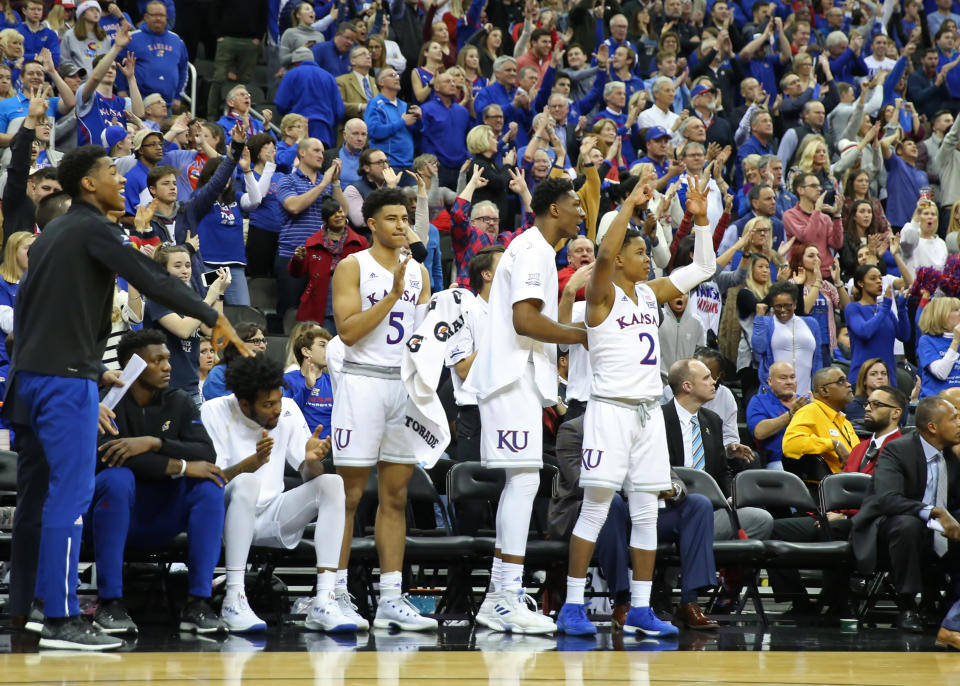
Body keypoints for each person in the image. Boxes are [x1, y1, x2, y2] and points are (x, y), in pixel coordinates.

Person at [4, 135, 249, 650]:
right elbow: (150, 277)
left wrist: (92, 371)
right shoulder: (92, 227)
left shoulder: (48, 236)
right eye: (113, 174)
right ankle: (62, 619)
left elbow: (32, 317)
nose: (123, 180)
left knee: (35, 501)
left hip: (30, 382)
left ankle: (28, 608)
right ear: (89, 184)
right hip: (64, 383)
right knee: (69, 499)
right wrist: (213, 316)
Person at [555, 172, 719, 637]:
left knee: (647, 509)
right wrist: (627, 203)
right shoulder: (600, 295)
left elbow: (702, 269)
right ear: (621, 260)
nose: (647, 258)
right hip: (609, 410)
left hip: (648, 411)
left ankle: (643, 610)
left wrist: (702, 221)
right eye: (640, 252)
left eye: (647, 252)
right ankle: (571, 607)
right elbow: (603, 252)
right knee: (596, 507)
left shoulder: (649, 293)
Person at [464, 178, 586, 634]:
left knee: (523, 479)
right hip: (510, 376)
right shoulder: (534, 250)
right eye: (575, 205)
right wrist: (580, 336)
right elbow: (526, 319)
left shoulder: (529, 247)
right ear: (554, 209)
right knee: (523, 480)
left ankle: (501, 595)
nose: (580, 212)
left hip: (515, 377)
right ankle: (503, 596)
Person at [328, 187, 435, 632]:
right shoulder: (351, 266)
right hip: (362, 383)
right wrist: (391, 296)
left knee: (395, 496)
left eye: (405, 218)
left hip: (403, 387)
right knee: (348, 497)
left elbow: (425, 340)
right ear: (370, 224)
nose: (401, 225)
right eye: (392, 218)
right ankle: (330, 594)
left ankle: (390, 596)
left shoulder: (422, 274)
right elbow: (348, 332)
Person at [201, 353, 356, 634]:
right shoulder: (213, 411)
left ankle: (324, 600)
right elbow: (213, 480)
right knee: (248, 482)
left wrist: (310, 461)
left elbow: (309, 476)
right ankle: (234, 598)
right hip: (225, 517)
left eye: (278, 401)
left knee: (332, 483)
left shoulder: (289, 410)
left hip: (273, 515)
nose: (276, 409)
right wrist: (252, 464)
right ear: (244, 404)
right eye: (268, 404)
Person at [88, 329, 228, 636]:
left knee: (210, 484)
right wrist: (179, 465)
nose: (168, 366)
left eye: (167, 359)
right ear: (134, 367)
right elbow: (109, 457)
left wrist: (152, 442)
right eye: (158, 361)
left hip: (164, 512)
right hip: (113, 512)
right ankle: (110, 602)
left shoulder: (179, 401)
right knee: (116, 476)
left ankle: (198, 602)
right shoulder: (106, 403)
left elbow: (206, 453)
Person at [552, 416, 719, 632]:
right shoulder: (575, 429)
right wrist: (638, 487)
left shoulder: (643, 428)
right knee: (610, 503)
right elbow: (579, 482)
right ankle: (622, 602)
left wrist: (672, 489)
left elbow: (671, 476)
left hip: (641, 513)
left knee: (699, 505)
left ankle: (689, 602)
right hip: (594, 513)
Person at [851, 396, 960, 639]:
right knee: (908, 524)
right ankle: (908, 605)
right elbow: (887, 499)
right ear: (932, 427)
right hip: (885, 526)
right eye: (954, 418)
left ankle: (948, 605)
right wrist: (934, 512)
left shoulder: (952, 454)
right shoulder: (898, 449)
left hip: (929, 527)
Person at [664, 358, 773, 533]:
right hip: (671, 507)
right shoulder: (658, 420)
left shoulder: (712, 420)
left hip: (709, 508)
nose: (714, 381)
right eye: (706, 378)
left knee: (761, 519)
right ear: (687, 386)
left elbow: (722, 472)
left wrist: (729, 497)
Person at [146, 245, 231, 405]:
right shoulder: (157, 298)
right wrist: (208, 298)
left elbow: (213, 331)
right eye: (177, 266)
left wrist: (218, 294)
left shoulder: (191, 299)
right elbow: (183, 330)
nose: (185, 270)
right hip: (165, 388)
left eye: (188, 265)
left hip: (190, 388)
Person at [275, 141, 347, 319]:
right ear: (301, 153)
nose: (321, 155)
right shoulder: (287, 180)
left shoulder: (330, 183)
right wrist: (323, 184)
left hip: (322, 256)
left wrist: (335, 182)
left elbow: (343, 213)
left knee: (318, 312)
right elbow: (293, 206)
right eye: (316, 150)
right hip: (291, 254)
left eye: (322, 151)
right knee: (290, 312)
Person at [288, 196, 368, 333]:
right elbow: (296, 273)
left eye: (340, 211)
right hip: (319, 304)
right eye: (333, 213)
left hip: (350, 303)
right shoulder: (312, 243)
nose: (339, 215)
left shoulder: (361, 243)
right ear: (325, 220)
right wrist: (298, 259)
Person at [782, 366, 859, 474]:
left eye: (847, 380)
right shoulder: (810, 411)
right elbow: (790, 445)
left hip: (856, 482)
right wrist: (834, 445)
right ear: (824, 390)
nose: (849, 384)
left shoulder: (845, 422)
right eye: (841, 381)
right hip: (833, 487)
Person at [752, 281, 823, 396]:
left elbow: (818, 360)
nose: (783, 310)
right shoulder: (766, 323)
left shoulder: (811, 324)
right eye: (778, 306)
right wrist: (759, 317)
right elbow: (758, 348)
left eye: (787, 305)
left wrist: (818, 391)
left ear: (795, 304)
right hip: (775, 397)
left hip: (806, 395)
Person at [844, 264, 911, 384]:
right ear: (860, 283)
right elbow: (865, 332)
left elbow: (904, 336)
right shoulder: (853, 308)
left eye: (880, 278)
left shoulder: (886, 310)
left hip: (887, 378)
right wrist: (885, 307)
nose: (879, 282)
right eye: (873, 278)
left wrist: (902, 309)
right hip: (862, 380)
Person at [116, 1, 188, 108]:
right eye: (154, 15)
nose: (158, 18)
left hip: (166, 105)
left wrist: (178, 96)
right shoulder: (131, 38)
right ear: (146, 17)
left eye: (161, 15)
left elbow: (183, 69)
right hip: (139, 102)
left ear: (167, 17)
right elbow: (118, 65)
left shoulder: (177, 41)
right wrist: (121, 90)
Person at [274, 48, 346, 149]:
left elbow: (281, 104)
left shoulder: (291, 74)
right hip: (323, 131)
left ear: (296, 62)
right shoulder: (329, 77)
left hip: (297, 131)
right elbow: (339, 110)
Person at [747, 362, 810, 469]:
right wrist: (791, 414)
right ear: (770, 381)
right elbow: (759, 432)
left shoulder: (805, 402)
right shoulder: (759, 401)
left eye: (792, 377)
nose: (789, 382)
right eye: (783, 378)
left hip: (809, 459)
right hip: (777, 461)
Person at [782, 173, 844, 280]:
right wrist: (817, 211)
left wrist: (837, 216)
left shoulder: (824, 218)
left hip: (825, 274)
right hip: (802, 276)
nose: (819, 189)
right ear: (800, 190)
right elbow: (807, 239)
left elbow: (837, 244)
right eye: (814, 186)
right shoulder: (790, 215)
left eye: (819, 186)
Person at [364, 67, 421, 176]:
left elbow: (415, 132)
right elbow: (374, 132)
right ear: (381, 82)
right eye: (392, 75)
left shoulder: (404, 105)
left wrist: (419, 120)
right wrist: (402, 122)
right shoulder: (375, 104)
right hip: (388, 165)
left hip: (408, 164)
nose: (397, 78)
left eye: (397, 75)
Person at [283, 324, 333, 438]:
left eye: (329, 346)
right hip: (300, 449)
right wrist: (307, 388)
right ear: (306, 351)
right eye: (322, 345)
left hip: (330, 449)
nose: (328, 351)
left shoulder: (333, 381)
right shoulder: (287, 379)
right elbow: (285, 414)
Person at [843, 385, 906, 474]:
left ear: (896, 413)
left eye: (876, 404)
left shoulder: (904, 451)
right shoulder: (858, 448)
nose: (867, 409)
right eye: (867, 404)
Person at [200, 322, 268, 402]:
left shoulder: (267, 372)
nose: (263, 346)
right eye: (256, 341)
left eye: (264, 341)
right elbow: (221, 407)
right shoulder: (219, 374)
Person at [918, 297, 960, 398]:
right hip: (936, 405)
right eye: (956, 310)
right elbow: (941, 373)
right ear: (941, 315)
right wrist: (955, 341)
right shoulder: (927, 340)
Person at [59, 1, 110, 76]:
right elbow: (64, 62)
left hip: (101, 82)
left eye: (97, 10)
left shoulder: (104, 37)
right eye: (91, 10)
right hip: (79, 81)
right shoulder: (70, 35)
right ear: (83, 14)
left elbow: (108, 61)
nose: (96, 13)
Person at [846, 357, 892, 433]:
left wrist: (913, 402)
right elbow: (868, 426)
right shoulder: (854, 405)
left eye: (884, 373)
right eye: (873, 374)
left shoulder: (895, 402)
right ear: (864, 380)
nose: (880, 377)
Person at [336, 45, 378, 122]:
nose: (368, 57)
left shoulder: (376, 82)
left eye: (369, 54)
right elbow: (338, 105)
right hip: (352, 127)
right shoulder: (341, 81)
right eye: (363, 54)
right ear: (353, 61)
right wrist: (360, 107)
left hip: (375, 128)